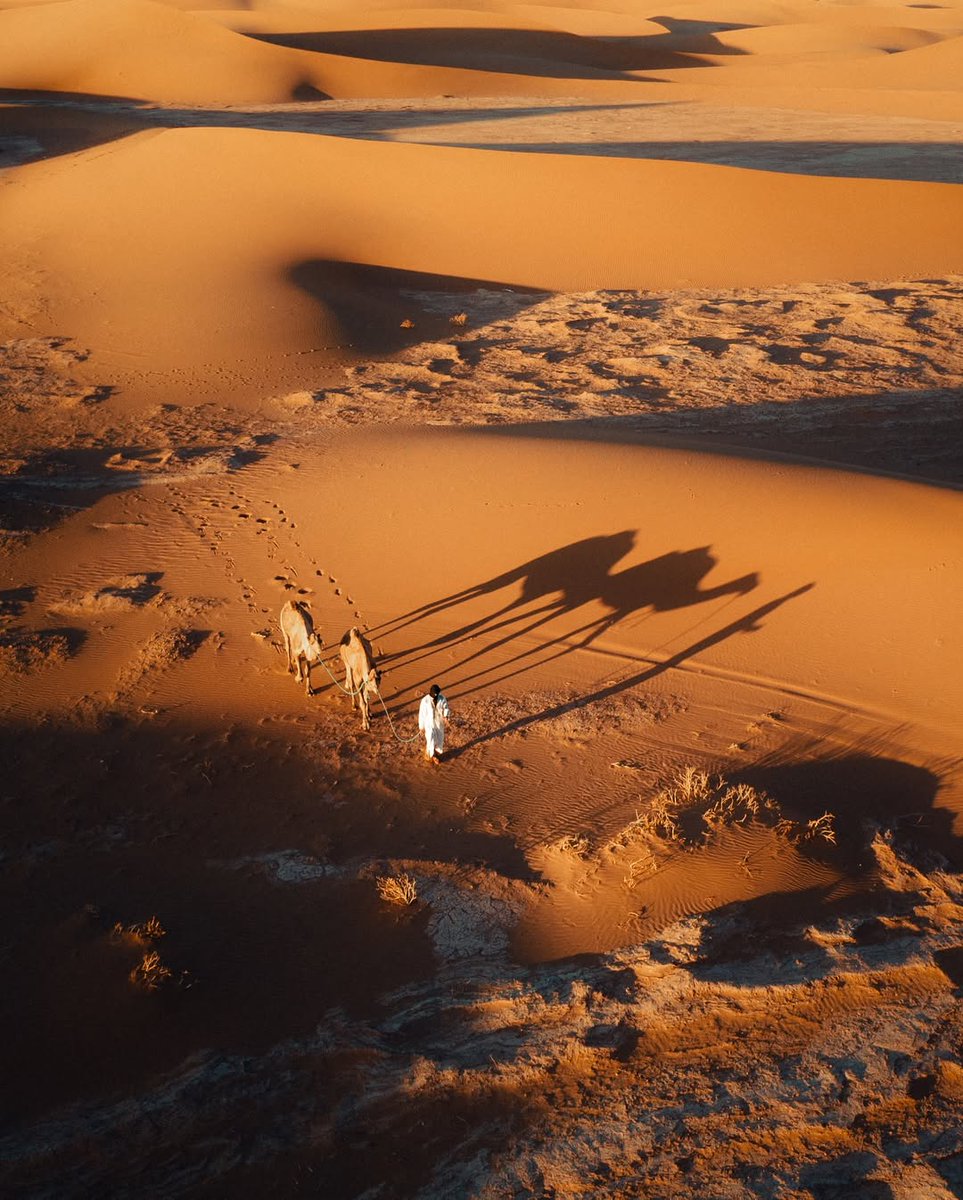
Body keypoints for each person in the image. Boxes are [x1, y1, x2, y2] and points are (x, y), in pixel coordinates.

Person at [418, 683, 450, 764]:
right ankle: (432, 756)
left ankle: (435, 753)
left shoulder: (442, 698)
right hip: (429, 724)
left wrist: (446, 716)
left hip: (439, 723)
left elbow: (445, 707)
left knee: (439, 739)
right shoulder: (425, 701)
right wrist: (421, 727)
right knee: (430, 738)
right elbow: (422, 714)